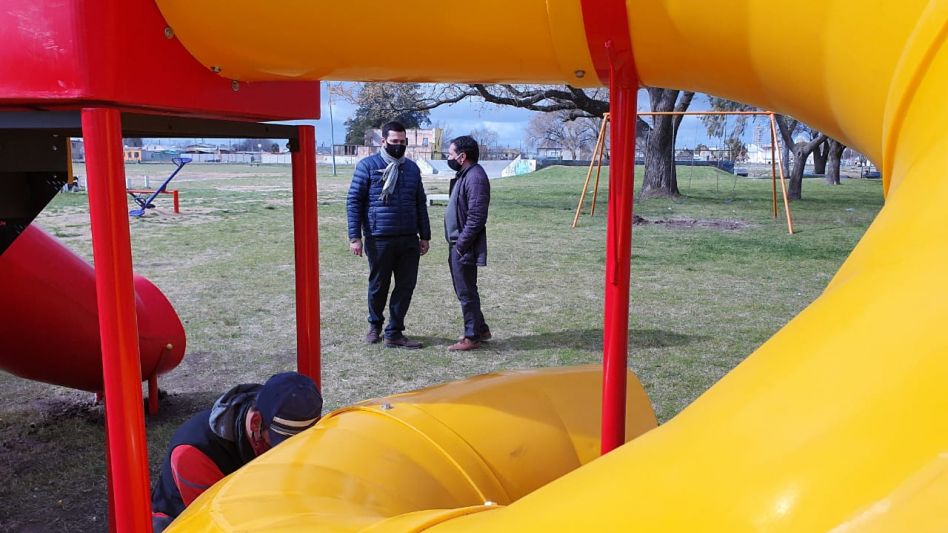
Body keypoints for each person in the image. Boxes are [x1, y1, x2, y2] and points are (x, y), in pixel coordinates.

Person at [151, 372, 323, 531]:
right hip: (182, 521)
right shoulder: (194, 454)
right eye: (282, 445)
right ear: (256, 422)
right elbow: (215, 523)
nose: (288, 455)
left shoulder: (272, 408)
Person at [347, 120, 431, 349]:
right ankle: (375, 325)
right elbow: (354, 201)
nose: (399, 145)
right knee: (378, 285)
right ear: (383, 141)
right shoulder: (367, 166)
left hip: (408, 239)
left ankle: (394, 331)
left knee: (406, 286)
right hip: (379, 237)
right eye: (395, 141)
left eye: (403, 142)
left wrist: (425, 235)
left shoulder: (412, 168)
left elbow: (420, 202)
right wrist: (355, 237)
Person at [444, 135, 491, 351]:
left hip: (464, 247)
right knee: (466, 289)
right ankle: (481, 328)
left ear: (462, 157)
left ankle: (472, 336)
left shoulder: (475, 177)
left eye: (451, 154)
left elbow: (476, 217)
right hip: (458, 244)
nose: (449, 157)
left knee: (466, 292)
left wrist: (461, 245)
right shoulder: (465, 175)